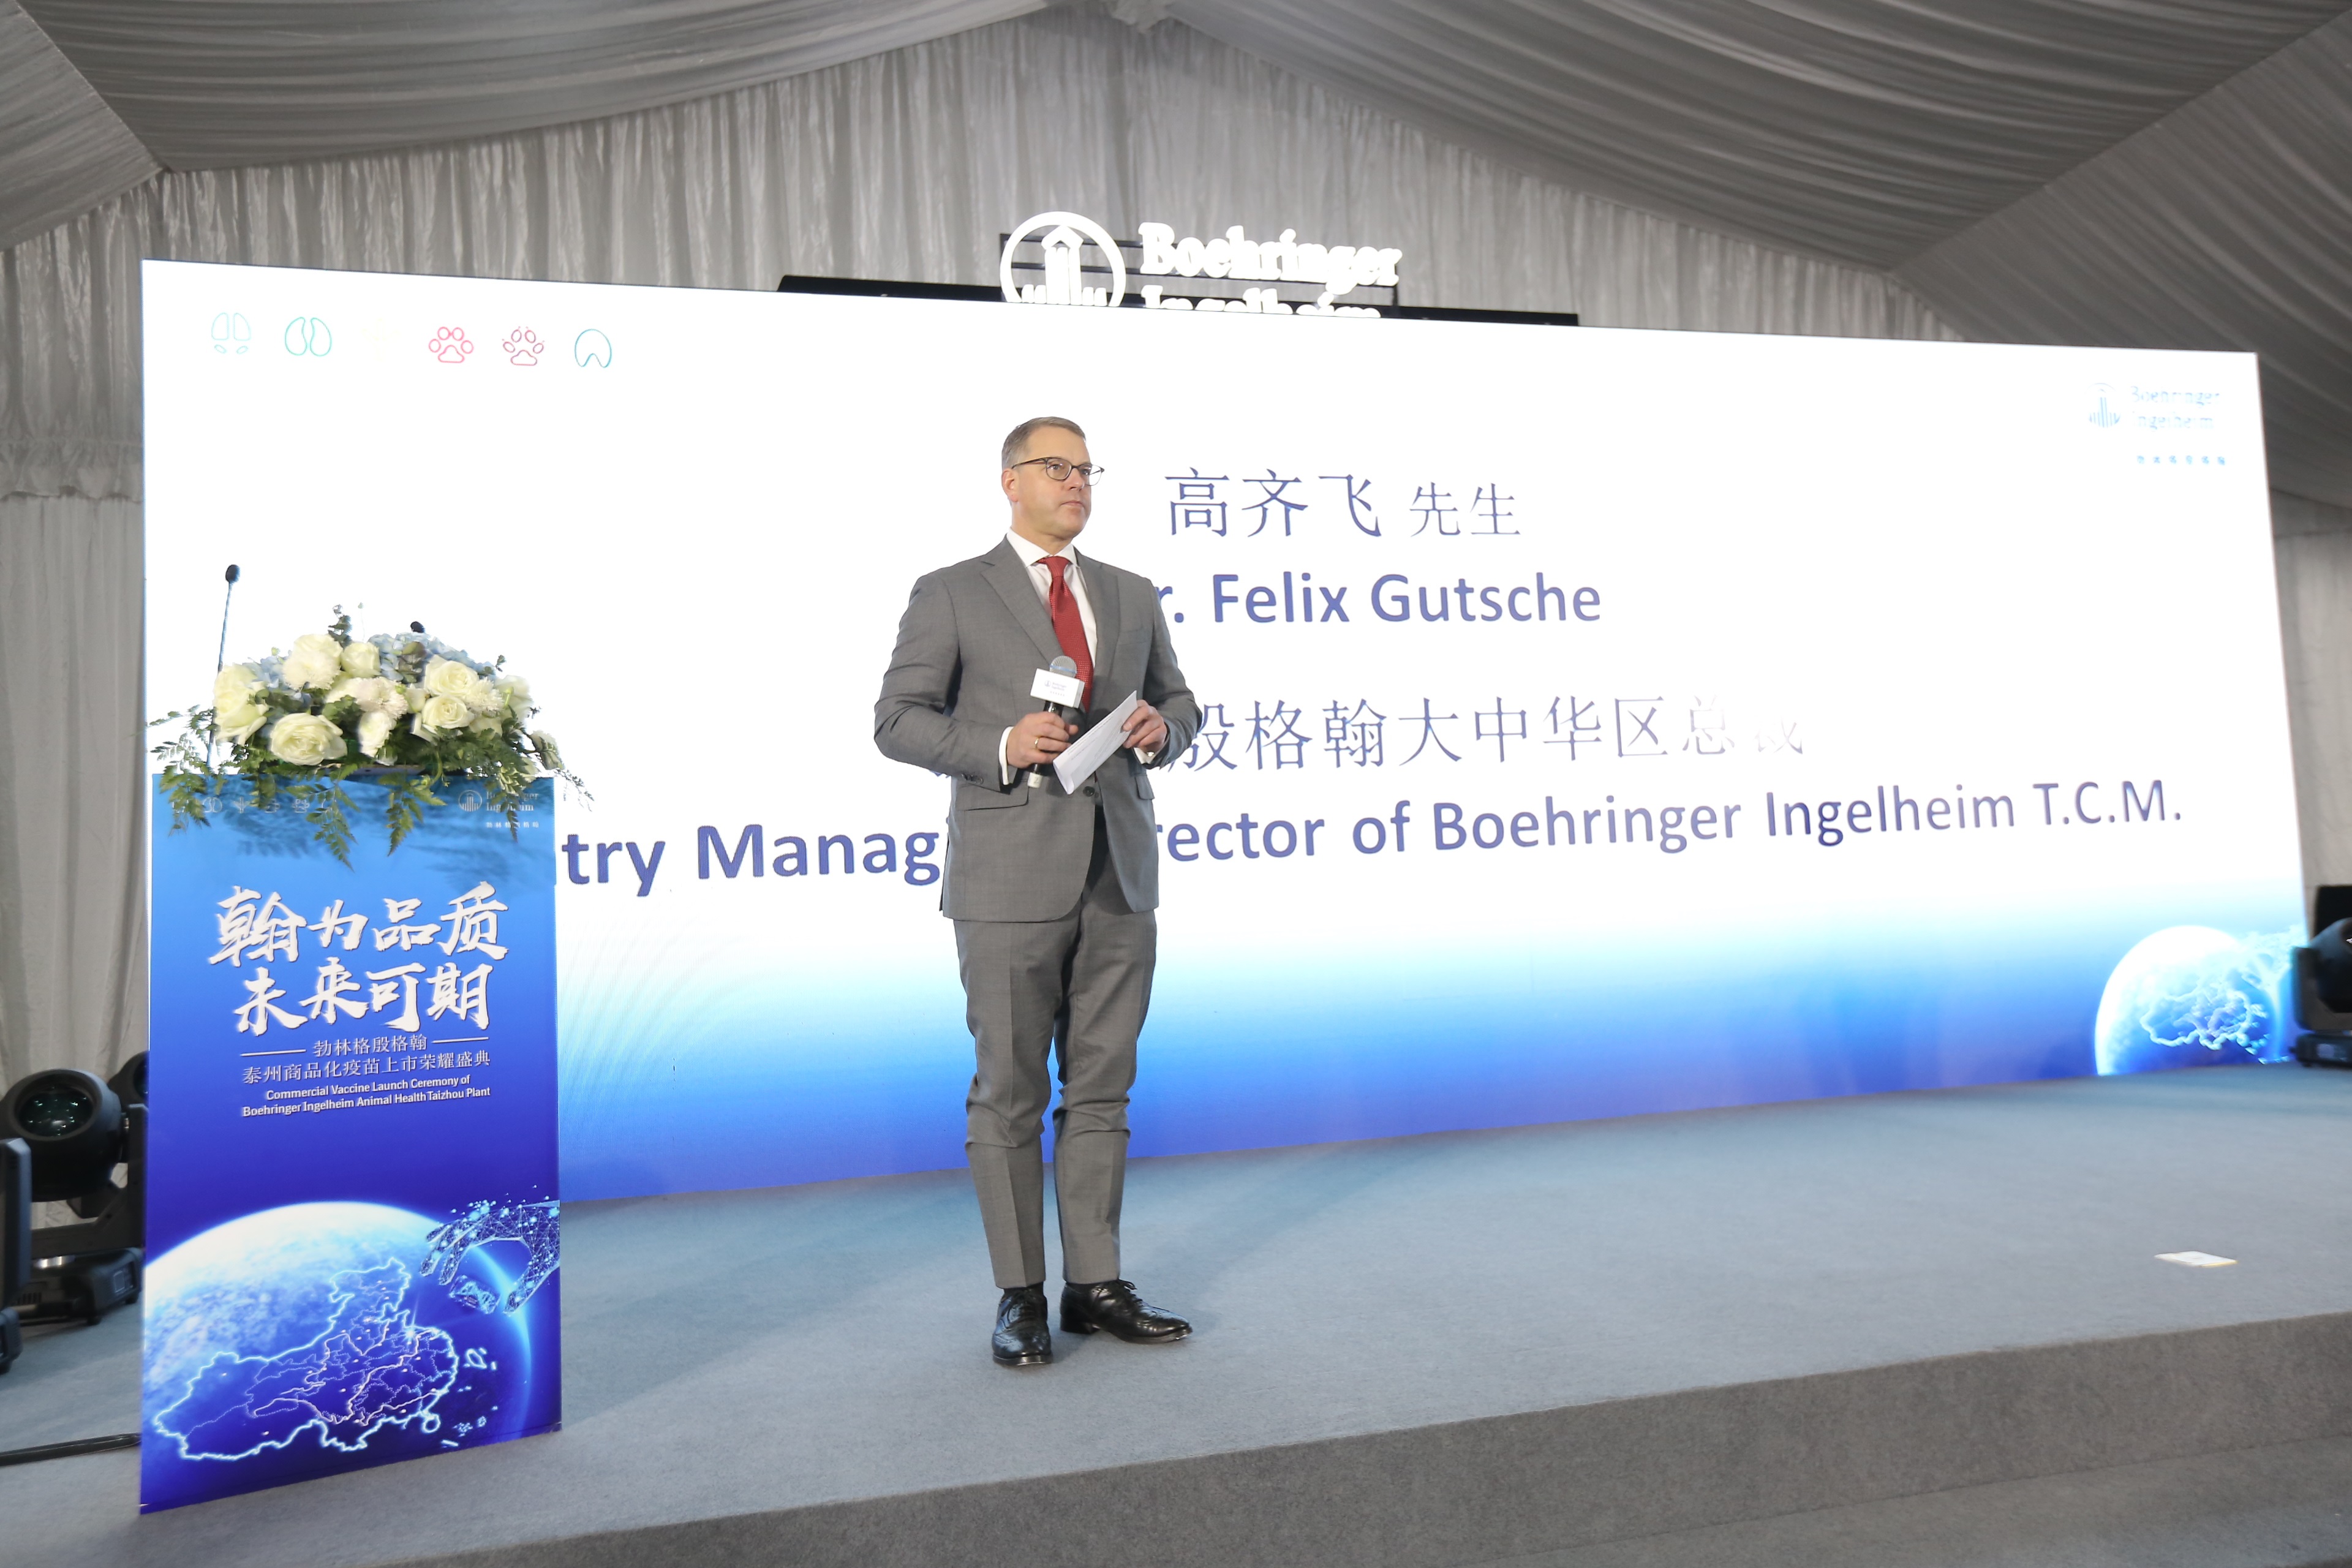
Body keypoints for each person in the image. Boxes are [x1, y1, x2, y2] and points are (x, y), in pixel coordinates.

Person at [874, 415, 1202, 1368]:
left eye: (1088, 468)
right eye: (1057, 467)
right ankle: (1019, 1292)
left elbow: (1181, 700)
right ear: (1009, 481)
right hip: (1007, 876)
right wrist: (1000, 745)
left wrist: (1164, 731)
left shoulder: (1129, 592)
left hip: (1118, 871)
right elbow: (896, 720)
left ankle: (1094, 1283)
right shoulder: (951, 591)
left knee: (1103, 1088)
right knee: (1010, 1092)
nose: (1077, 482)